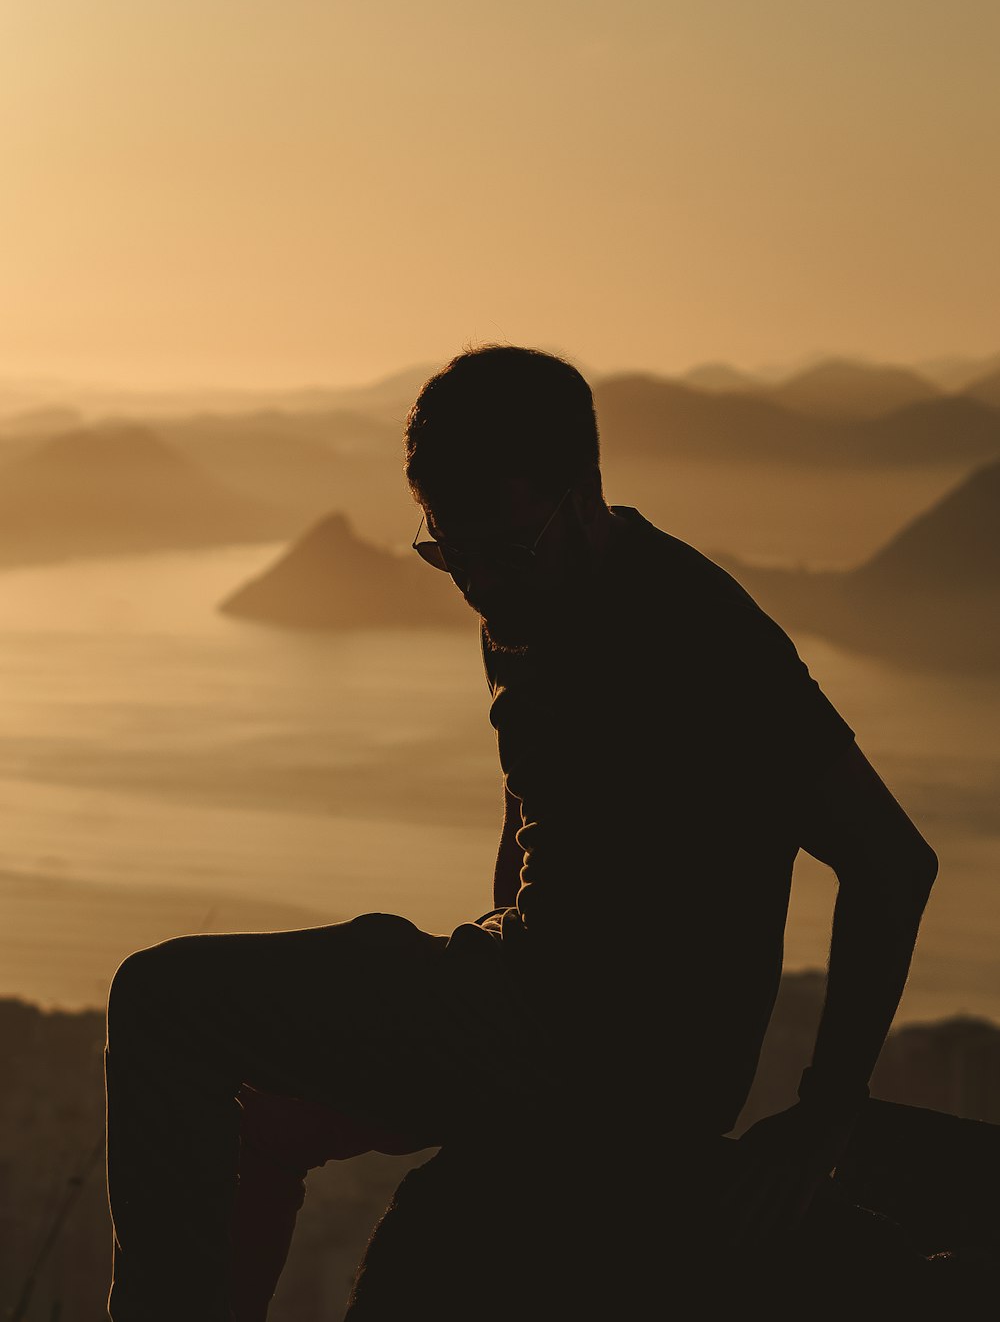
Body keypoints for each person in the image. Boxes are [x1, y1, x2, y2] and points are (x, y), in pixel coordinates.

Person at [104, 344, 938, 1320]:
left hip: (601, 1055)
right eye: (450, 555)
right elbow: (532, 819)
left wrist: (820, 1117)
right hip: (522, 1008)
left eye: (507, 549)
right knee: (262, 1122)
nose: (481, 585)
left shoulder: (698, 635)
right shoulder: (531, 590)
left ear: (584, 493)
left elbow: (891, 860)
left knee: (163, 998)